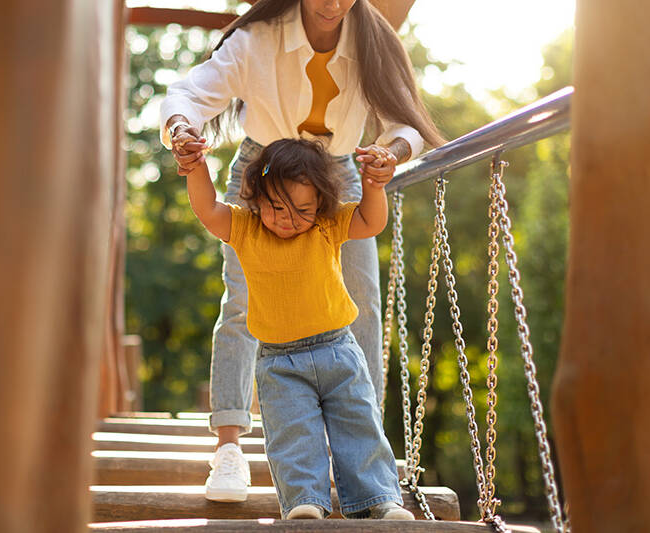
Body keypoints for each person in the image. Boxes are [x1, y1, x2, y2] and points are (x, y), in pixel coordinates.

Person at [160, 0, 444, 501]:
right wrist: (183, 129)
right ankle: (228, 448)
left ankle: (360, 456)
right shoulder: (259, 40)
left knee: (360, 305)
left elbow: (406, 124)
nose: (333, 3)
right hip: (264, 174)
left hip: (336, 176)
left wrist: (389, 155)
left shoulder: (372, 42)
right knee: (244, 303)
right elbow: (190, 92)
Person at [181, 135, 415, 520]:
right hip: (279, 362)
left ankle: (379, 499)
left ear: (321, 203)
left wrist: (374, 185)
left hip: (338, 349)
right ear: (255, 197)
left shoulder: (326, 225)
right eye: (276, 207)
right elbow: (207, 208)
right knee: (293, 434)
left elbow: (372, 222)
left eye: (302, 209)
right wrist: (196, 168)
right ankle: (305, 501)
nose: (288, 219)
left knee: (359, 424)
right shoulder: (245, 229)